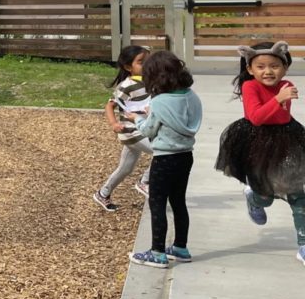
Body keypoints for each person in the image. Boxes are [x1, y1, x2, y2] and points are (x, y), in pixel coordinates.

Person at [215, 41, 305, 267]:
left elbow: (282, 119)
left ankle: (303, 244)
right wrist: (278, 98)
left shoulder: (286, 84)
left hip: (286, 139)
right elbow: (257, 118)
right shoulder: (250, 87)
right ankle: (254, 198)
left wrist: (280, 97)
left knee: (298, 194)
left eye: (274, 66)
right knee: (266, 195)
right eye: (261, 66)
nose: (268, 71)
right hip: (257, 142)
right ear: (250, 69)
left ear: (285, 68)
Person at [128, 50, 202, 268]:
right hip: (185, 156)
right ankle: (180, 247)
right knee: (178, 201)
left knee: (157, 203)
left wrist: (139, 118)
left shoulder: (159, 102)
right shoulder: (191, 95)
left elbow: (149, 130)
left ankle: (157, 252)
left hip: (164, 158)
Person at [93, 45, 153, 211]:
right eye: (141, 62)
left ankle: (103, 193)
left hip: (142, 129)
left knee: (125, 168)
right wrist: (114, 124)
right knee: (161, 150)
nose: (146, 64)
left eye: (148, 60)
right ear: (128, 67)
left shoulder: (150, 80)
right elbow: (109, 106)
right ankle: (145, 181)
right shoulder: (126, 86)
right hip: (130, 131)